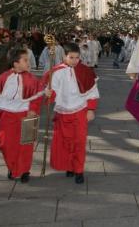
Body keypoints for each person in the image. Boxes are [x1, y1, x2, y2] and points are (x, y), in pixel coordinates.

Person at [42, 43, 99, 184]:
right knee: (65, 142)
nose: (75, 60)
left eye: (77, 57)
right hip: (62, 112)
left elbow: (92, 91)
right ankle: (69, 166)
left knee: (79, 142)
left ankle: (79, 170)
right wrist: (48, 94)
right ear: (64, 56)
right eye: (71, 57)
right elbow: (52, 92)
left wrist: (91, 109)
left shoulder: (85, 71)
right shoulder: (55, 71)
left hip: (80, 110)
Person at [0, 48, 43, 182]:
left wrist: (33, 109)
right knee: (7, 144)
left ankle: (24, 171)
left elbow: (37, 97)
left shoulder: (32, 79)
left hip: (26, 115)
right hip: (8, 116)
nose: (28, 62)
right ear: (15, 63)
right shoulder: (3, 78)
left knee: (26, 144)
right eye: (25, 60)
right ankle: (12, 167)